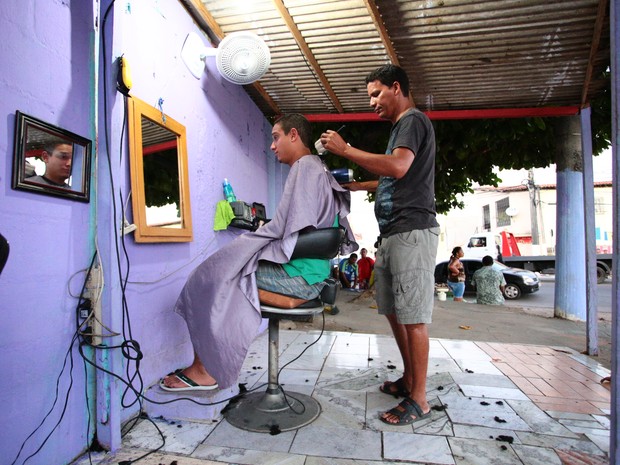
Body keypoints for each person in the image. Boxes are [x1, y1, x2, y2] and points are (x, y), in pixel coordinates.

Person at [161, 114, 357, 391]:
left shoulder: (305, 167)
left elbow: (287, 231)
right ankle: (206, 365)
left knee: (210, 280)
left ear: (293, 135)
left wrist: (251, 239)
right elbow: (296, 227)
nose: (272, 146)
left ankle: (205, 370)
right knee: (220, 273)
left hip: (300, 277)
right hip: (311, 273)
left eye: (276, 137)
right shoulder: (317, 168)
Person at [320, 64, 439, 426]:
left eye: (376, 93)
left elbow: (400, 168)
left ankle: (419, 399)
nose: (372, 102)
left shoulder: (412, 121)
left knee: (414, 317)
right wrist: (360, 186)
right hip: (391, 234)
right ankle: (409, 379)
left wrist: (346, 150)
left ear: (397, 88)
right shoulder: (399, 129)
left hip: (411, 232)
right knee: (393, 310)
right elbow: (395, 176)